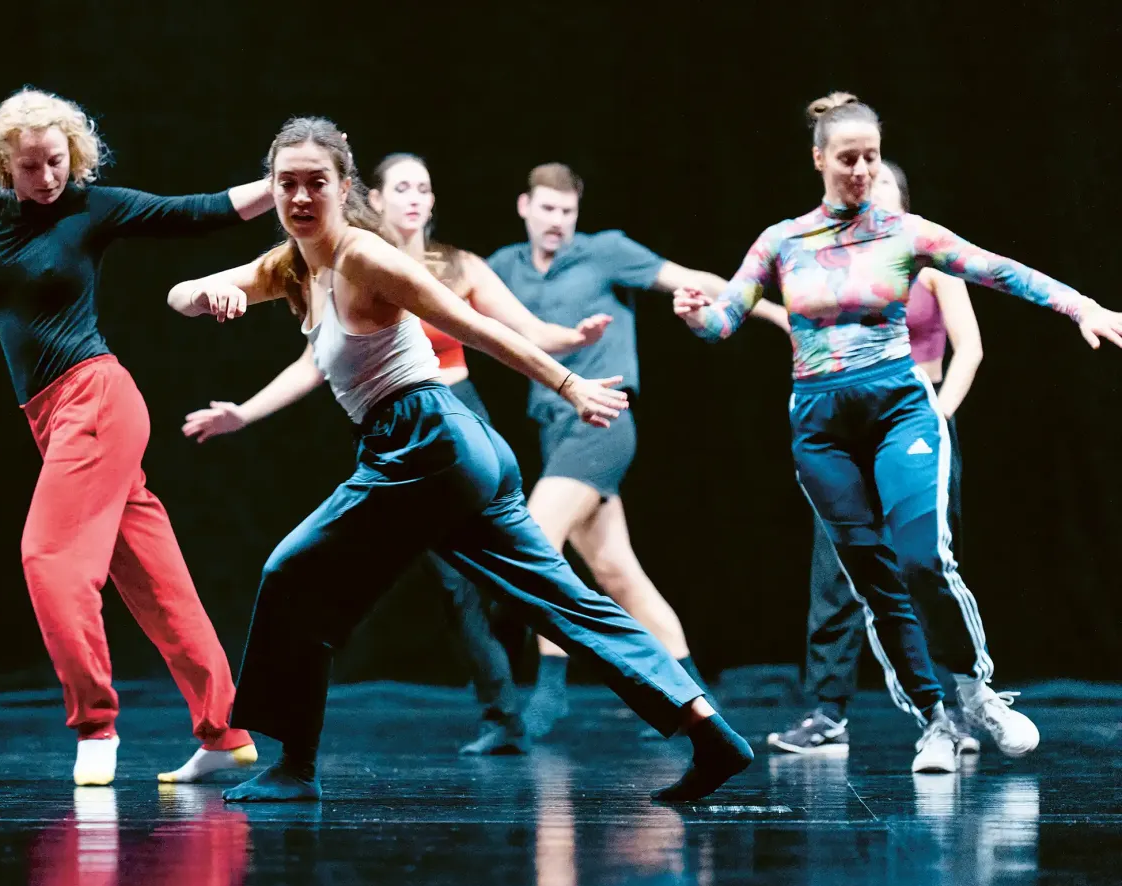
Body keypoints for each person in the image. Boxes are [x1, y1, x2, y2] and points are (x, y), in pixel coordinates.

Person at [167, 116, 754, 803]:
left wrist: (567, 382)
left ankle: (295, 766)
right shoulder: (298, 264)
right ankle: (712, 734)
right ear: (271, 190)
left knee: (290, 574)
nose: (300, 197)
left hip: (422, 442)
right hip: (451, 451)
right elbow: (179, 295)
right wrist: (212, 294)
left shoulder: (365, 256)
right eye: (286, 184)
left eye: (315, 183)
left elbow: (475, 325)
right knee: (565, 601)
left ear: (345, 187)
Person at [673, 92, 1122, 773]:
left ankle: (976, 689)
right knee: (872, 584)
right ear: (819, 159)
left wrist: (1079, 304)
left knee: (922, 558)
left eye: (871, 159)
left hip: (900, 409)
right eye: (847, 158)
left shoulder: (907, 235)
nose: (859, 171)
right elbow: (727, 318)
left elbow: (999, 269)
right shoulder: (782, 242)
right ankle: (934, 717)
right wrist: (695, 314)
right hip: (820, 426)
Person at [0, 87, 271, 786]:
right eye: (30, 167)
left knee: (48, 557)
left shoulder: (94, 207)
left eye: (56, 162)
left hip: (96, 400)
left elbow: (199, 211)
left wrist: (285, 184)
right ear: (4, 165)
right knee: (154, 578)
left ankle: (95, 726)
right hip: (53, 419)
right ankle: (224, 729)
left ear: (73, 157)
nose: (46, 178)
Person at [180, 152, 609, 755]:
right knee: (451, 584)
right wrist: (244, 412)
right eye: (401, 187)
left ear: (433, 202)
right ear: (374, 198)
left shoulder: (458, 266)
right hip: (402, 438)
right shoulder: (343, 260)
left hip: (455, 425)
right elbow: (314, 363)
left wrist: (572, 345)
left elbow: (514, 329)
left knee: (517, 575)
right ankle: (504, 716)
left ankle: (641, 690)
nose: (414, 198)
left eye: (424, 188)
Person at [487, 164, 789, 737]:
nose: (557, 222)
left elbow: (687, 278)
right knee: (618, 574)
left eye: (567, 211)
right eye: (547, 209)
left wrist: (770, 311)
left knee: (533, 542)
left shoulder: (605, 253)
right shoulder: (504, 267)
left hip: (604, 422)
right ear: (525, 206)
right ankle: (690, 692)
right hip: (554, 428)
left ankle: (551, 690)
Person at [767, 160, 985, 756]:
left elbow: (969, 348)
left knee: (925, 566)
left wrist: (939, 413)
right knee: (837, 572)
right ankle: (828, 712)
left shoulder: (930, 259)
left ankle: (958, 710)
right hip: (848, 429)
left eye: (883, 189)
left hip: (918, 425)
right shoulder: (832, 268)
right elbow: (800, 331)